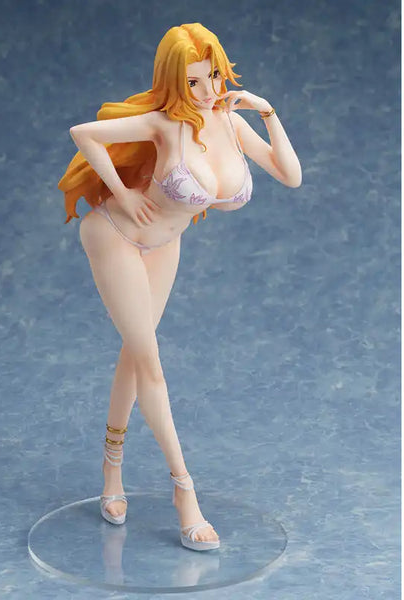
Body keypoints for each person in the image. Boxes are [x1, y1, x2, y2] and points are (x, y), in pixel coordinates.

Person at [58, 22, 301, 551]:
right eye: (193, 81)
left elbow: (291, 175)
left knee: (136, 352)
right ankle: (184, 493)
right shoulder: (165, 124)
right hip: (116, 235)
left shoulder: (231, 122)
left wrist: (267, 112)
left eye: (213, 76)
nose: (208, 90)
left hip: (165, 244)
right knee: (150, 363)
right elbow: (84, 133)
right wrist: (122, 193)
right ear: (173, 82)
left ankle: (111, 471)